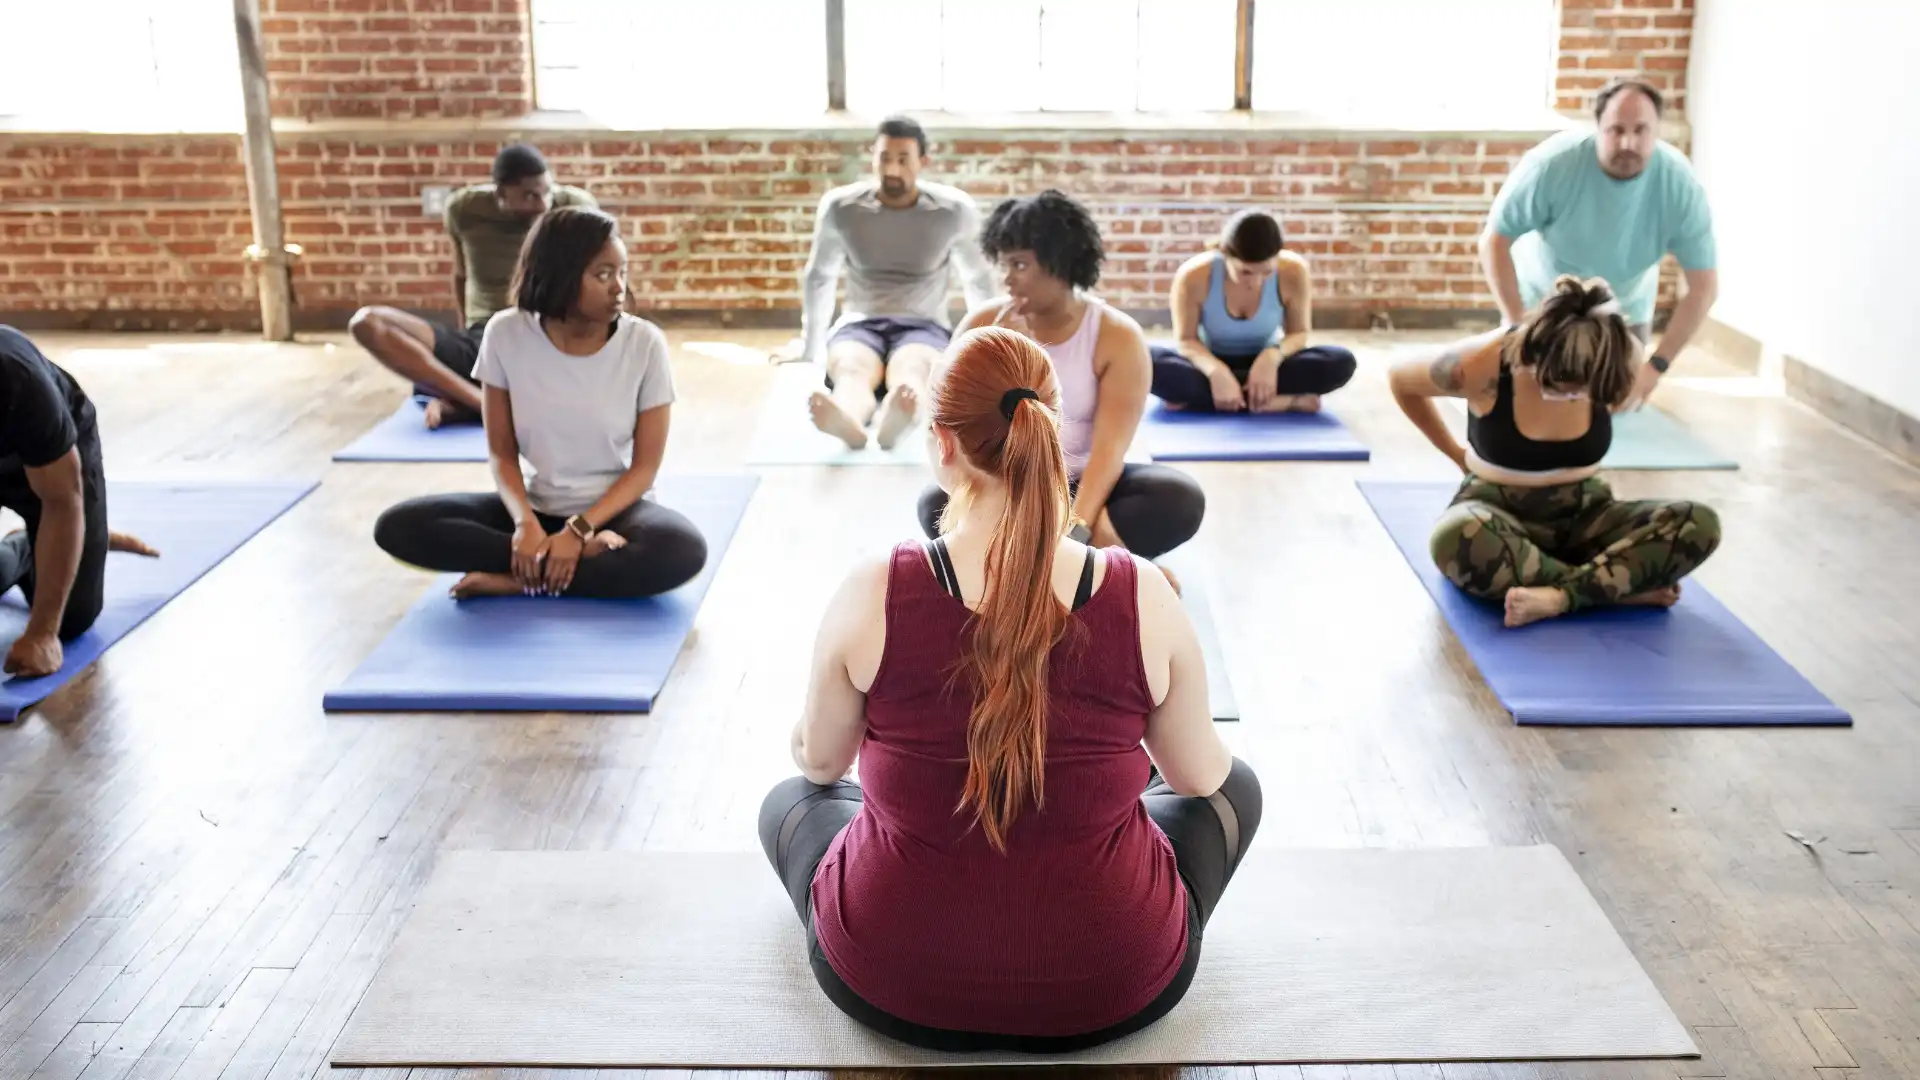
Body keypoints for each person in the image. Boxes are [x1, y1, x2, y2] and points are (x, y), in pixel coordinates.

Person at [759, 325, 1262, 1052]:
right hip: (1115, 984)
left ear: (943, 443)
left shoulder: (874, 587)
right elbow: (1198, 777)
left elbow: (820, 764)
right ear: (1052, 433)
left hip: (889, 982)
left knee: (797, 798)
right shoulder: (1141, 590)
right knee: (1236, 787)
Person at [372, 207, 707, 600]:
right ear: (560, 275)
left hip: (615, 513)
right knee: (398, 526)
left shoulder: (644, 343)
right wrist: (525, 525)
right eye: (602, 275)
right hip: (536, 509)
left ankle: (517, 579)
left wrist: (579, 530)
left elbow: (645, 468)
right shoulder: (505, 333)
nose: (618, 287)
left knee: (681, 551)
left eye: (622, 272)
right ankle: (563, 563)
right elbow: (501, 452)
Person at [1387, 275, 1722, 629]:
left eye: (1582, 388)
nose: (1571, 394)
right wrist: (1455, 453)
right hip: (1497, 510)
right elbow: (1401, 380)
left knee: (1698, 523)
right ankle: (1614, 588)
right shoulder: (1480, 362)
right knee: (1455, 537)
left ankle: (1561, 596)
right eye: (1558, 384)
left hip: (1586, 514)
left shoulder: (1618, 358)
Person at [916, 190, 1205, 566]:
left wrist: (1075, 531)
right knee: (934, 504)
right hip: (1006, 483)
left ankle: (1048, 562)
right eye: (1002, 265)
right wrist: (995, 350)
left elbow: (1108, 452)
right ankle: (1107, 565)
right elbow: (947, 429)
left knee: (1178, 498)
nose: (1006, 279)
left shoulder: (1117, 336)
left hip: (1084, 484)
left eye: (1019, 265)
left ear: (1061, 264)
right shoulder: (982, 325)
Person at [1481, 77, 1718, 411]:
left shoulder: (1680, 185)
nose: (1628, 142)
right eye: (1616, 130)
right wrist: (1516, 321)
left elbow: (1703, 288)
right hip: (1546, 309)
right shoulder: (1552, 165)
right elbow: (1495, 239)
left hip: (1624, 314)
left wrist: (1654, 369)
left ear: (1657, 131)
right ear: (1597, 128)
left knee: (1611, 410)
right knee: (1530, 406)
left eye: (1641, 130)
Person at [771, 116, 997, 451]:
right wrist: (810, 347)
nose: (892, 169)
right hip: (859, 324)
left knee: (914, 369)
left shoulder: (952, 211)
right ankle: (847, 419)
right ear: (873, 157)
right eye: (884, 158)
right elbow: (819, 277)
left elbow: (978, 279)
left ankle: (900, 417)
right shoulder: (842, 208)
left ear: (923, 162)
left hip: (924, 326)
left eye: (903, 160)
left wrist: (988, 344)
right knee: (851, 369)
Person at [349, 143, 598, 428]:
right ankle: (481, 403)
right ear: (501, 194)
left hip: (546, 335)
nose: (542, 204)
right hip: (484, 337)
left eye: (546, 192)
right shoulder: (464, 210)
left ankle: (462, 401)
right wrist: (463, 334)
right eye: (528, 196)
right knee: (366, 323)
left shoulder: (577, 208)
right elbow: (460, 275)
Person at [0, 327, 157, 679]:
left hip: (54, 469)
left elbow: (62, 500)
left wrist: (42, 633)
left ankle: (72, 539)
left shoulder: (15, 375)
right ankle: (29, 547)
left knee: (71, 618)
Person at [1149, 210, 1357, 413]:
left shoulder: (1294, 271)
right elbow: (1186, 340)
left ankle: (1202, 402)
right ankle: (1284, 402)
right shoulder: (1194, 275)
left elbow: (1299, 333)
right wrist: (1216, 372)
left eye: (1266, 272)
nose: (1255, 282)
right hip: (1207, 364)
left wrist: (1271, 357)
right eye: (1245, 272)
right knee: (1147, 360)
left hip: (1268, 369)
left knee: (1340, 361)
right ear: (1224, 252)